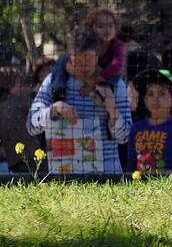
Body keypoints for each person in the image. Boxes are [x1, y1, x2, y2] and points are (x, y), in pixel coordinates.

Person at [28, 27, 131, 174]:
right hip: (64, 176)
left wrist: (113, 111)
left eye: (88, 59)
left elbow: (126, 137)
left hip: (107, 176)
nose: (83, 66)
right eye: (78, 60)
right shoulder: (53, 82)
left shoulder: (116, 85)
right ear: (70, 57)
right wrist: (53, 109)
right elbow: (31, 125)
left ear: (97, 57)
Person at [0, 66, 32, 173]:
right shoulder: (25, 102)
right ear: (10, 86)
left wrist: (6, 152)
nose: (21, 88)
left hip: (12, 164)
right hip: (33, 160)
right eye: (18, 84)